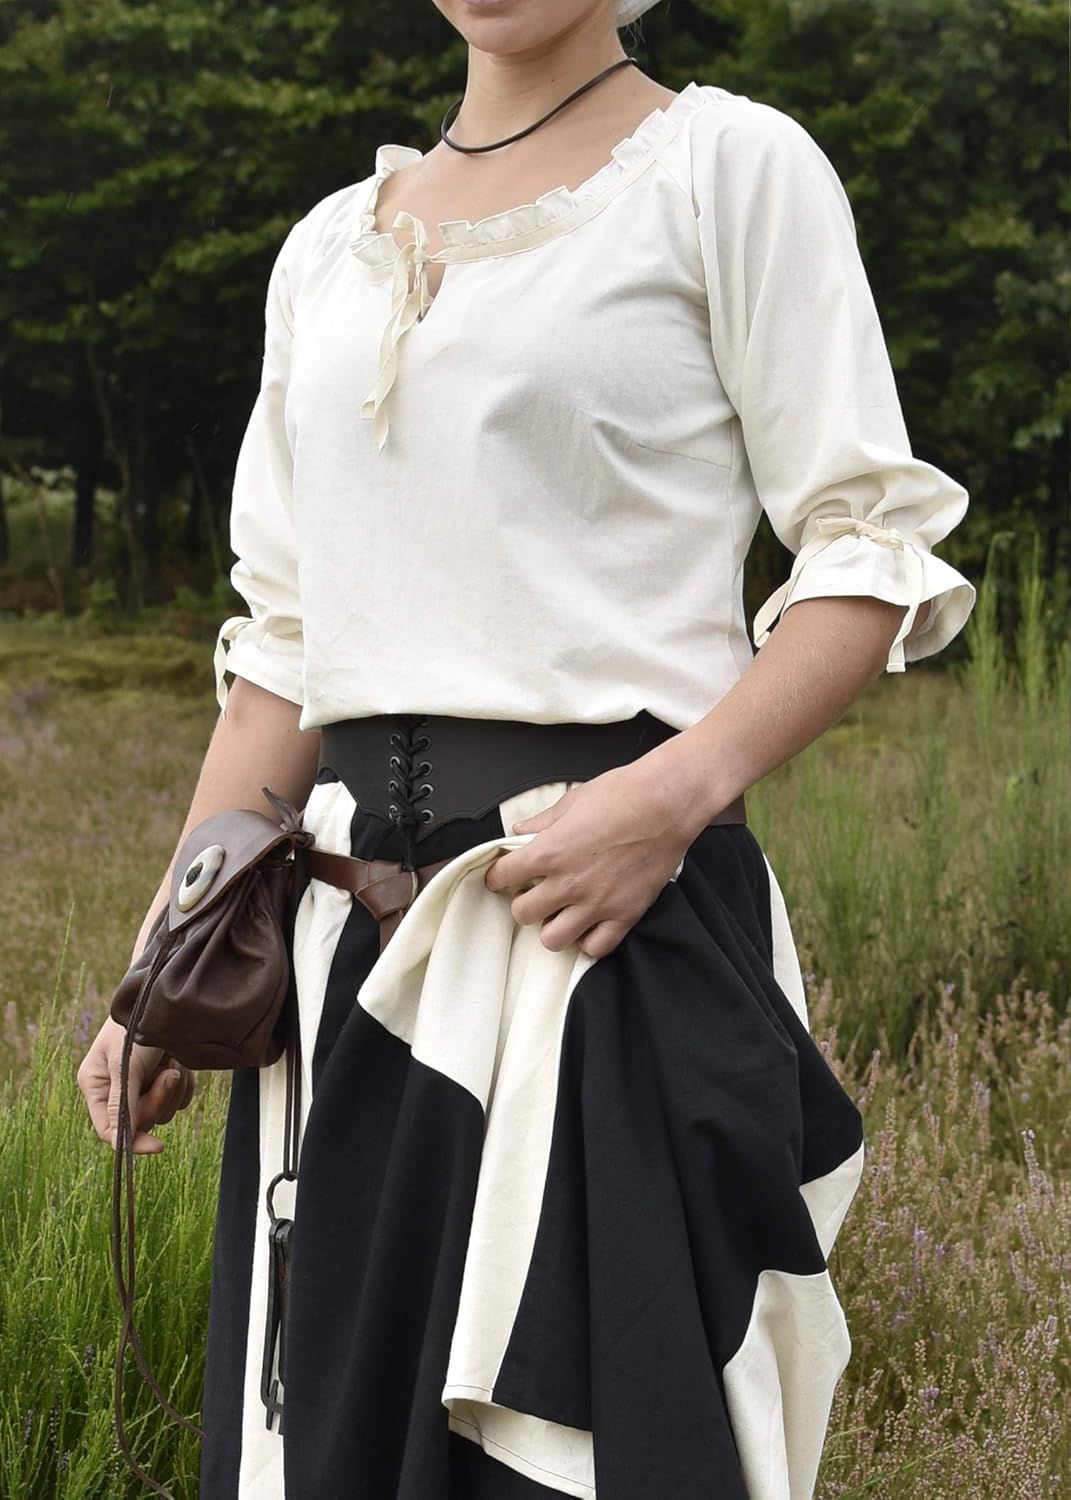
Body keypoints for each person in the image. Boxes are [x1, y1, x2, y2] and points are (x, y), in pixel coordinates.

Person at [77, 1, 977, 1496]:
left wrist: (673, 797)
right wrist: (167, 959)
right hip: (345, 974)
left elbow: (868, 547)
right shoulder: (327, 251)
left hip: (600, 933)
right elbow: (285, 649)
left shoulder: (727, 169)